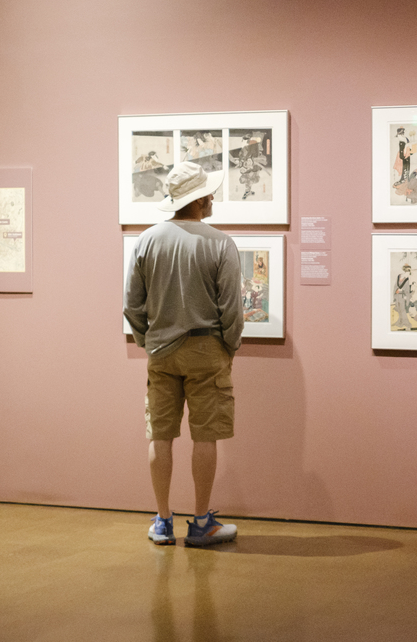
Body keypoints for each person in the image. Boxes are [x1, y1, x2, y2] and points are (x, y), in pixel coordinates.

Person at [124, 160, 244, 547]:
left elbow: (133, 304)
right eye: (209, 192)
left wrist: (149, 341)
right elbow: (232, 309)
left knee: (160, 434)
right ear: (201, 199)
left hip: (161, 351)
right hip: (207, 348)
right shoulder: (219, 243)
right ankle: (201, 521)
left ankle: (162, 521)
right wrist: (229, 346)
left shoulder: (147, 241)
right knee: (205, 435)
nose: (213, 198)